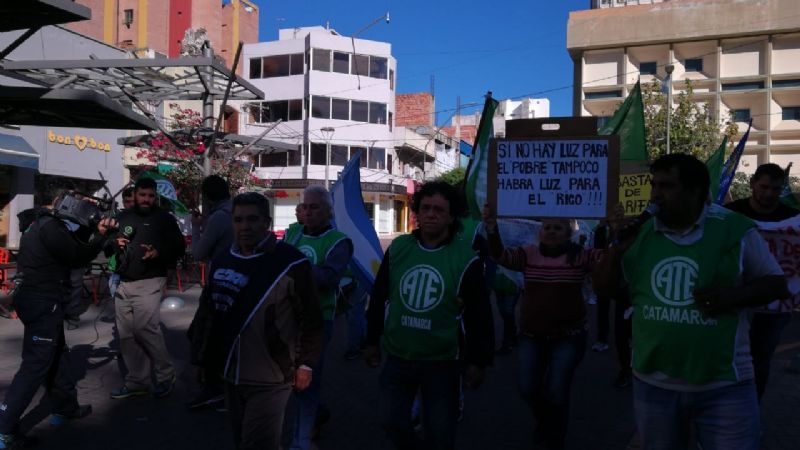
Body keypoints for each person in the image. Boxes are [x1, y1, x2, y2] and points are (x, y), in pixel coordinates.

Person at [594, 153, 789, 450]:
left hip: (725, 385)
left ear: (696, 190)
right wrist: (614, 252)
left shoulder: (734, 228)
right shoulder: (640, 233)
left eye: (667, 186)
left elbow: (776, 284)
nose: (655, 195)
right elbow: (607, 289)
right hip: (653, 382)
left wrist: (733, 296)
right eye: (653, 185)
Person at [189, 192, 324, 450]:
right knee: (242, 440)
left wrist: (306, 364)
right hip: (229, 373)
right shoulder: (222, 259)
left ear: (267, 222)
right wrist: (200, 357)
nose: (245, 226)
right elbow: (206, 312)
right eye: (238, 220)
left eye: (253, 219)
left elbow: (312, 318)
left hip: (272, 376)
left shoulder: (291, 261)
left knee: (257, 444)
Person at [365, 181, 494, 450]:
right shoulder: (399, 248)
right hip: (398, 357)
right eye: (425, 208)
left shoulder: (466, 258)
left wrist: (478, 362)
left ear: (451, 216)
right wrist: (371, 340)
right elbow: (379, 296)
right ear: (417, 212)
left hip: (443, 362)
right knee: (390, 421)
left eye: (439, 209)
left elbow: (479, 315)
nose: (431, 214)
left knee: (441, 433)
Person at [0, 191, 117, 449]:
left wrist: (93, 232)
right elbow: (77, 257)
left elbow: (74, 246)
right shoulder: (51, 227)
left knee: (57, 356)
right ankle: (5, 428)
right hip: (44, 303)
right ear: (62, 203)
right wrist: (101, 235)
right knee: (35, 364)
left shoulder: (41, 224)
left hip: (38, 301)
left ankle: (65, 407)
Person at [483, 207, 602, 450]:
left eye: (558, 227)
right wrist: (492, 228)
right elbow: (500, 256)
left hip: (569, 337)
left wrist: (619, 233)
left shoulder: (582, 256)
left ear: (569, 233)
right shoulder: (528, 254)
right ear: (540, 232)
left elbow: (607, 261)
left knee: (558, 391)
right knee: (527, 388)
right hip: (531, 336)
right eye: (547, 227)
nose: (551, 231)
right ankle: (546, 420)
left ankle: (556, 438)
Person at [284, 185, 352, 450]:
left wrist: (296, 265)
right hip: (288, 316)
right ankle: (317, 413)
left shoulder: (339, 241)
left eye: (315, 207)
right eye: (306, 206)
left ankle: (300, 443)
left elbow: (329, 278)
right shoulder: (292, 234)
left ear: (327, 211)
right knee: (291, 377)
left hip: (319, 321)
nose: (309, 212)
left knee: (307, 381)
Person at [725, 163, 799, 401]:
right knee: (730, 354)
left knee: (761, 355)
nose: (769, 194)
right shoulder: (732, 213)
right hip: (736, 297)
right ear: (752, 184)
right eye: (764, 187)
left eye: (775, 189)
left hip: (774, 304)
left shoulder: (792, 219)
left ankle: (752, 407)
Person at [110, 177, 185, 400]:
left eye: (151, 196)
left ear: (155, 196)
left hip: (151, 280)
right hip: (123, 281)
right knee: (126, 335)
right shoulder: (122, 217)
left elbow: (179, 247)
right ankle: (137, 382)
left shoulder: (164, 219)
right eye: (143, 195)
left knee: (144, 328)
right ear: (135, 195)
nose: (146, 199)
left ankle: (165, 375)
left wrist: (158, 252)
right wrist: (116, 243)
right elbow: (107, 244)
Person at [187, 175, 235, 410]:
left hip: (218, 284)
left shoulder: (218, 218)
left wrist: (196, 227)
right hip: (240, 283)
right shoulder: (236, 211)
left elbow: (198, 253)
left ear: (206, 196)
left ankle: (213, 388)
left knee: (204, 336)